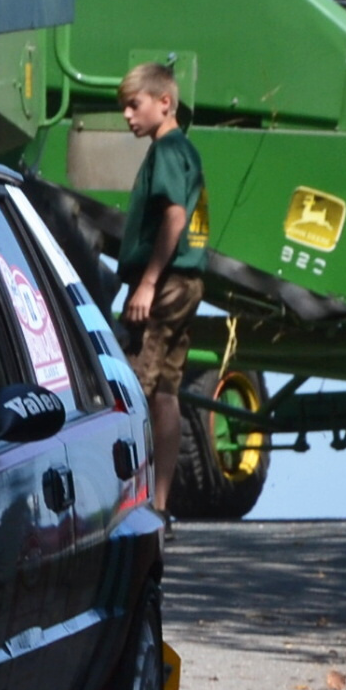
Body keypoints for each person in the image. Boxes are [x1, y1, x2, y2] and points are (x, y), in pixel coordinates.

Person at [118, 61, 208, 535]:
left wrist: (148, 282)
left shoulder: (169, 151)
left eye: (134, 105)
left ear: (165, 102)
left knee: (134, 387)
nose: (127, 116)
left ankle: (131, 507)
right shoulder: (186, 150)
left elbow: (174, 217)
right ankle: (159, 503)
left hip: (165, 281)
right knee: (166, 393)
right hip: (187, 281)